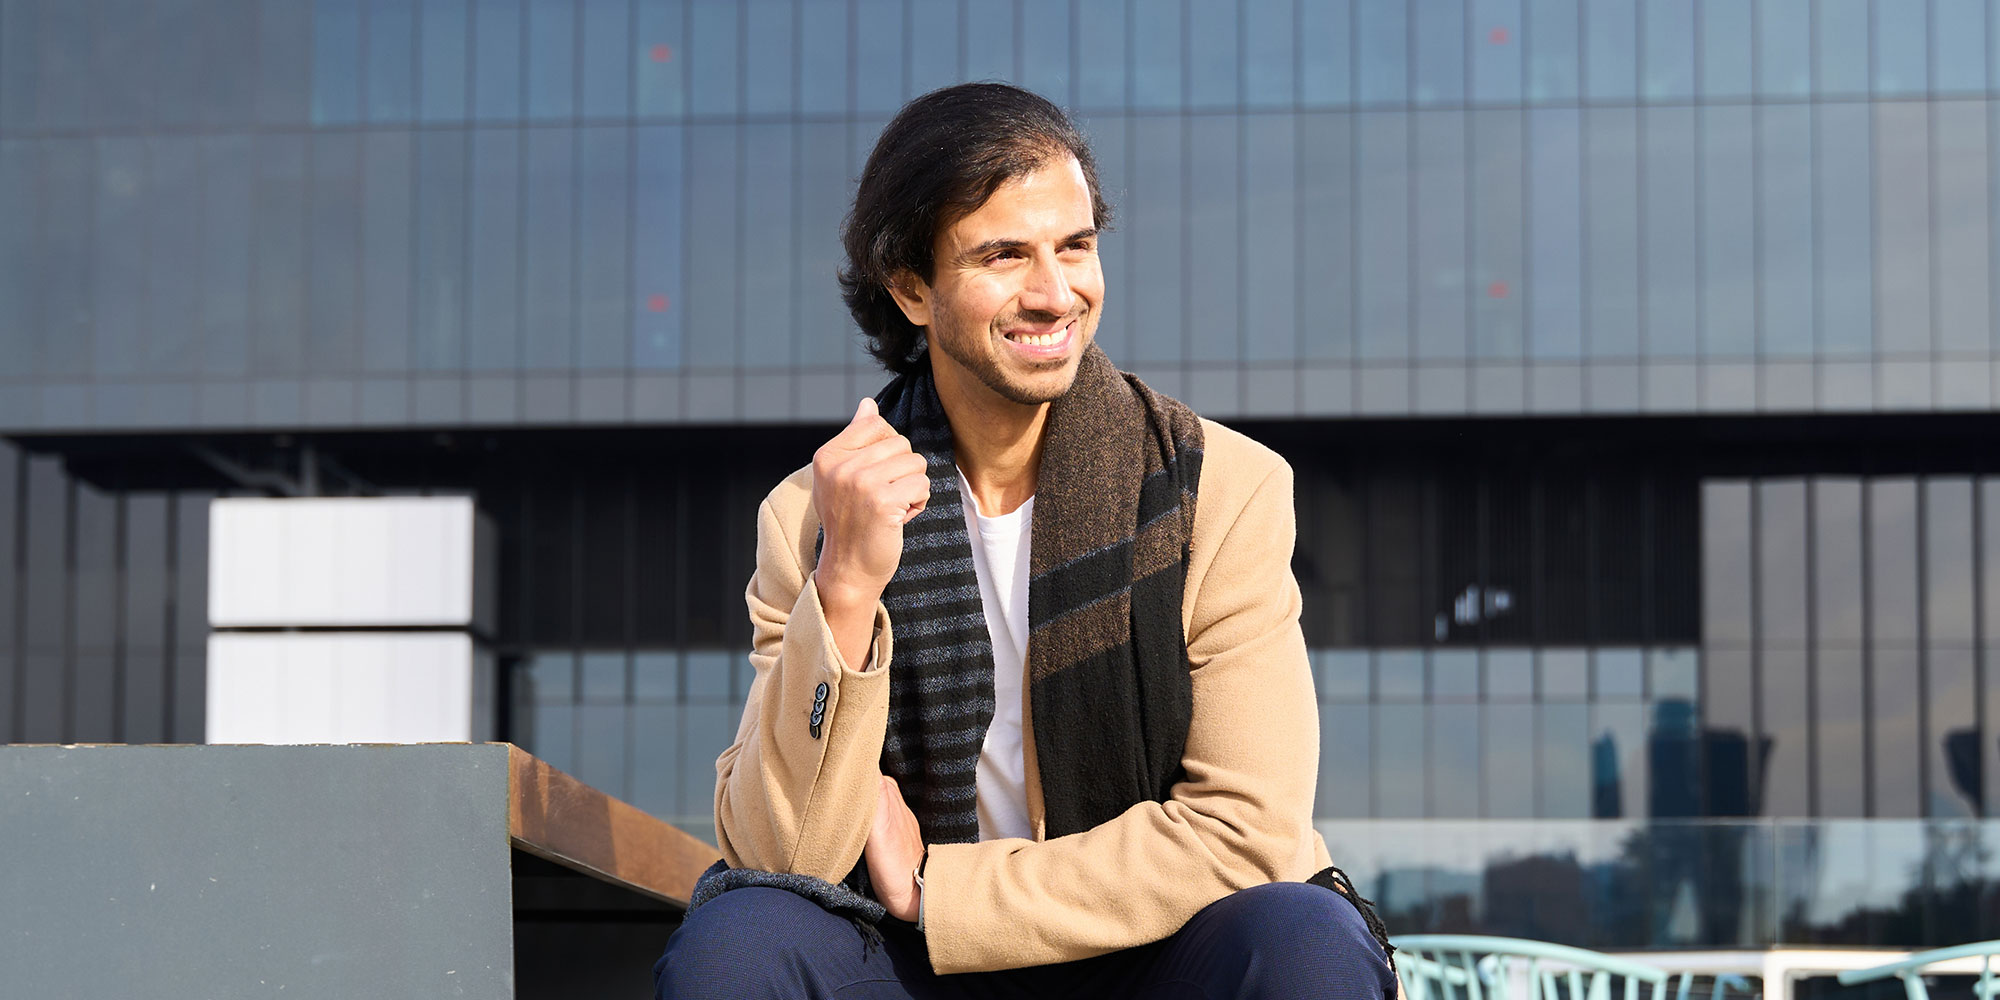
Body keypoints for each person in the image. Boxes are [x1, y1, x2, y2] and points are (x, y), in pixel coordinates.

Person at [654, 82, 1398, 1000]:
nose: (1056, 294)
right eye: (1004, 254)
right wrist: (844, 586)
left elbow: (1248, 830)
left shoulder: (1220, 489)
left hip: (1145, 949)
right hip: (911, 967)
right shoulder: (813, 515)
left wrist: (945, 890)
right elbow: (781, 849)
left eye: (1075, 246)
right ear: (912, 287)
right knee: (740, 939)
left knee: (1304, 937)